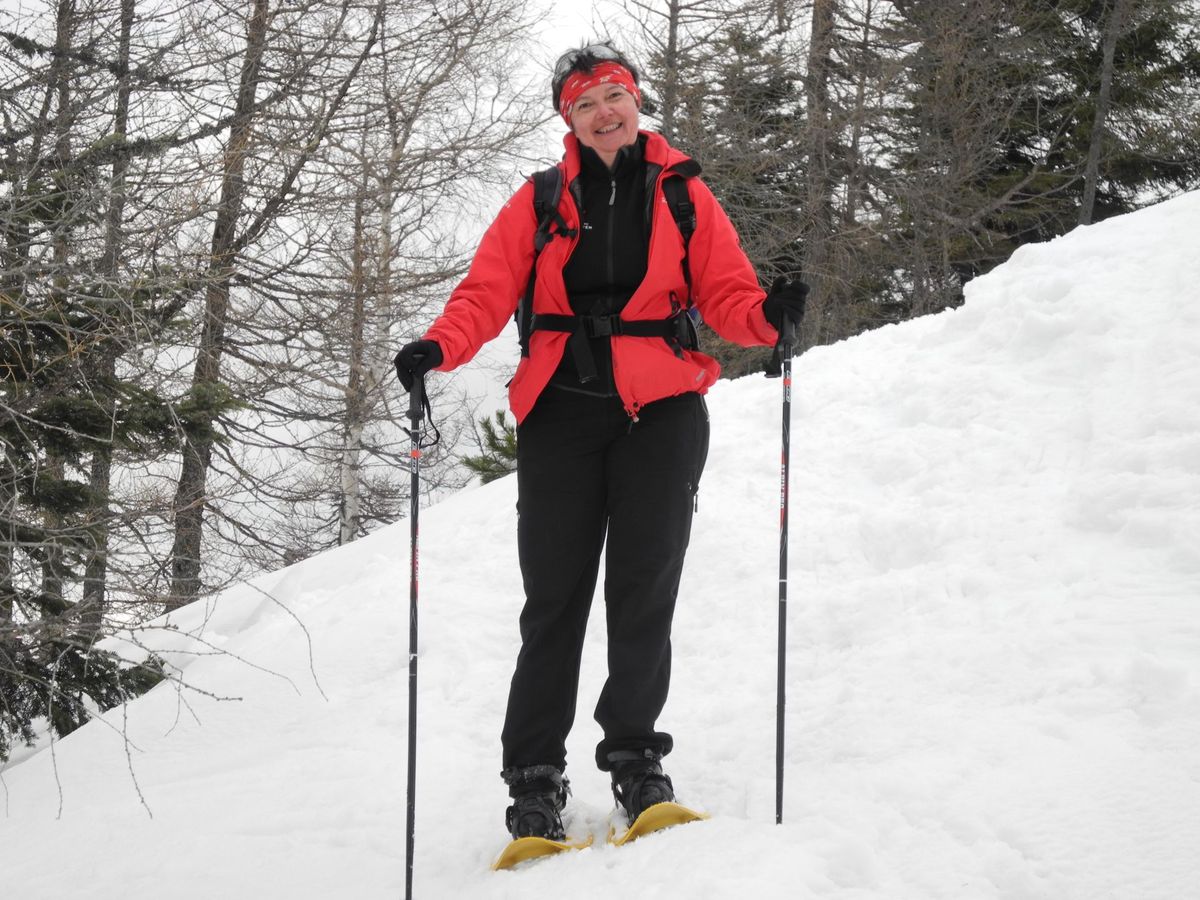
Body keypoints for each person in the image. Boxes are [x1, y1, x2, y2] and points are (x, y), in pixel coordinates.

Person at [394, 42, 808, 842]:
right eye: (586, 104)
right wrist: (438, 347)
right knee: (554, 600)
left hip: (663, 412)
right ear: (569, 120)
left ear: (636, 100)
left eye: (614, 95)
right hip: (563, 412)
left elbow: (726, 292)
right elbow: (485, 291)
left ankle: (635, 762)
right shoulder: (540, 199)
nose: (604, 112)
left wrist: (769, 319)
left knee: (642, 592)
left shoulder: (683, 193)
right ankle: (535, 778)